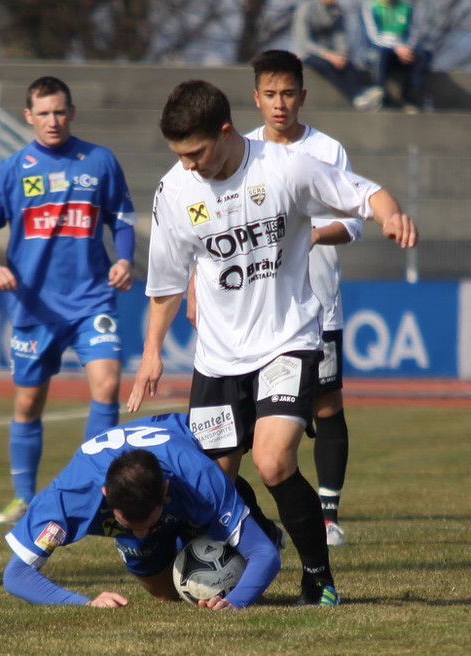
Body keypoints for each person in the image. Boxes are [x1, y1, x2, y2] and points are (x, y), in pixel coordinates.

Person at [128, 80, 417, 605]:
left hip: (288, 339)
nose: (189, 165)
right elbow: (167, 283)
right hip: (218, 356)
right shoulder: (174, 191)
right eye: (180, 156)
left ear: (224, 131)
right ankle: (260, 545)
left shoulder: (285, 167)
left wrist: (390, 214)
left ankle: (319, 578)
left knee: (274, 460)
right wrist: (152, 350)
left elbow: (365, 193)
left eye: (195, 152)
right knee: (213, 485)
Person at [0, 76, 137, 525]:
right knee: (28, 405)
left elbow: (123, 219)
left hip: (92, 300)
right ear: (28, 116)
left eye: (59, 112)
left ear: (71, 112)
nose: (52, 121)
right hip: (34, 307)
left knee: (108, 385)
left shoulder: (100, 161)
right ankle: (22, 497)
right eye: (43, 113)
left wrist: (126, 259)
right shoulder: (13, 169)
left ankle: (101, 490)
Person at [246, 49, 364, 547]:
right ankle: (255, 521)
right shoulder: (241, 150)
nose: (280, 104)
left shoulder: (327, 150)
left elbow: (354, 221)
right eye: (270, 94)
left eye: (288, 94)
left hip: (316, 304)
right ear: (256, 97)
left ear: (302, 96)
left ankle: (328, 512)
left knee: (326, 404)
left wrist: (312, 236)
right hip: (255, 310)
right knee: (256, 419)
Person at [2, 412, 280, 609]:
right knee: (166, 596)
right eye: (129, 524)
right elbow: (16, 575)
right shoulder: (68, 495)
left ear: (164, 490)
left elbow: (263, 555)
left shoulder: (198, 478)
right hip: (156, 491)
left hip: (189, 480)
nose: (142, 533)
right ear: (105, 496)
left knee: (248, 540)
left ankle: (245, 514)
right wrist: (85, 604)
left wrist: (234, 602)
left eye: (147, 523)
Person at [292, 0, 384, 111]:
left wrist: (341, 54)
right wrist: (328, 55)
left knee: (347, 64)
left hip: (329, 53)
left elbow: (339, 35)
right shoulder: (306, 8)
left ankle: (362, 93)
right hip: (307, 53)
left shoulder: (336, 10)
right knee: (327, 65)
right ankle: (356, 98)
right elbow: (304, 41)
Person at [361, 0, 434, 112]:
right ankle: (378, 92)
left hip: (402, 50)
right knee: (382, 54)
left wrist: (407, 49)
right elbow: (372, 37)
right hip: (380, 50)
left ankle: (410, 96)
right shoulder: (370, 6)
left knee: (424, 55)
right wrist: (395, 48)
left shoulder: (406, 8)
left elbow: (414, 32)